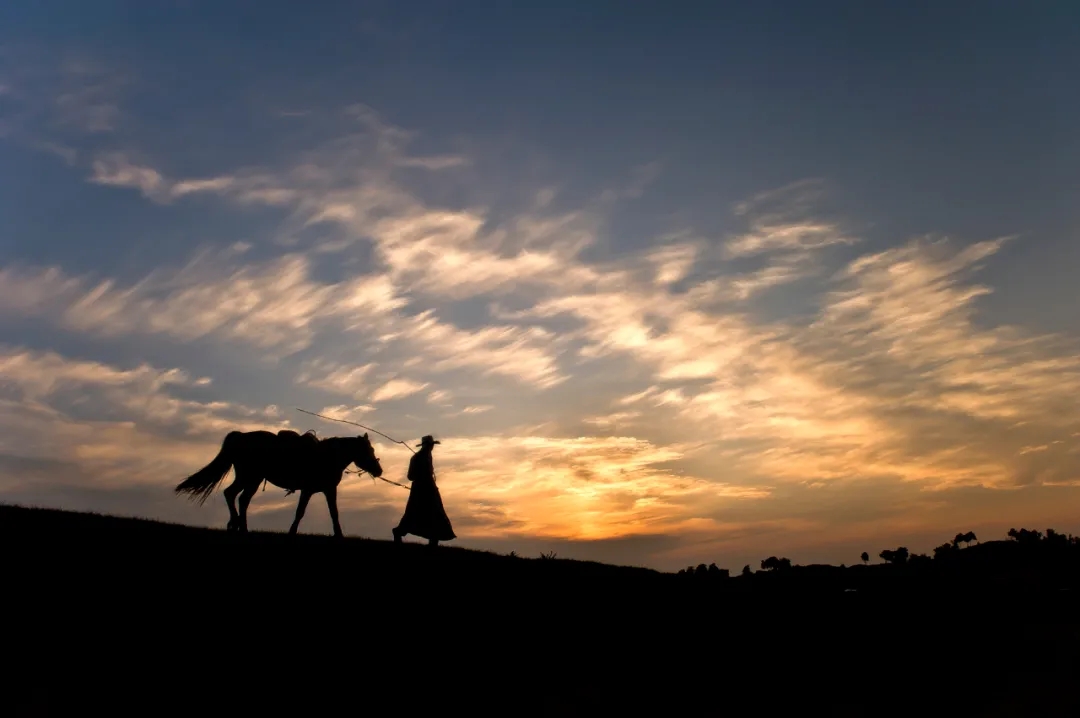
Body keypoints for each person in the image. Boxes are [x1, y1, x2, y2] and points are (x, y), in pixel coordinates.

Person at [392, 435, 456, 546]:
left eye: (432, 446)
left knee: (435, 515)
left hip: (430, 490)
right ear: (426, 445)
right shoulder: (416, 458)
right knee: (413, 514)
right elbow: (410, 476)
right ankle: (398, 532)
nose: (431, 448)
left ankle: (433, 540)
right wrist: (422, 477)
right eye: (430, 445)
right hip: (420, 492)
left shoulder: (427, 456)